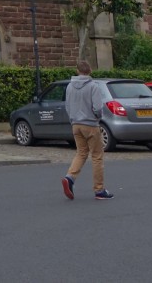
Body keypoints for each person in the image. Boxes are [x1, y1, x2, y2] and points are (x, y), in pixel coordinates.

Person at [62, 59, 114, 200]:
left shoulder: (69, 87)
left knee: (81, 153)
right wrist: (97, 117)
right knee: (97, 156)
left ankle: (70, 177)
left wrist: (73, 119)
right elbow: (97, 107)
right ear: (89, 70)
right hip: (90, 124)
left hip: (76, 124)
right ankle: (99, 189)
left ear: (77, 70)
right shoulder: (93, 86)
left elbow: (67, 106)